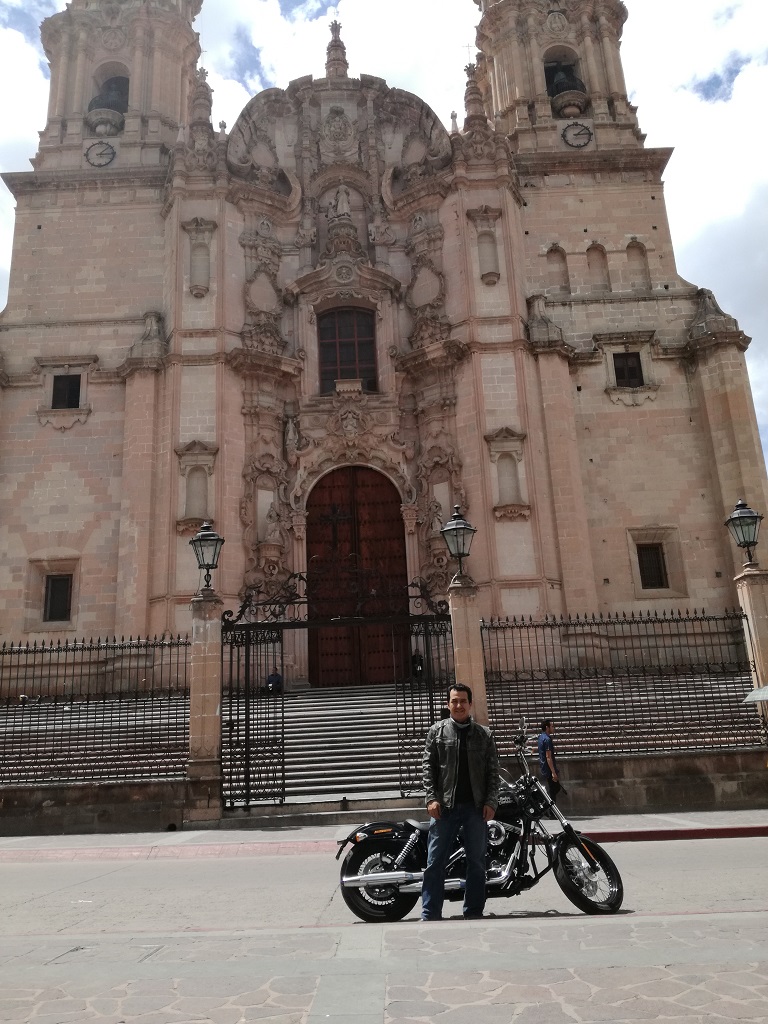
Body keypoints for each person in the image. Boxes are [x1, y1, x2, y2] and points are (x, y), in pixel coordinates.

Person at [421, 683, 500, 921]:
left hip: (475, 808)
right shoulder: (436, 732)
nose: (458, 705)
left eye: (463, 701)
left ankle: (473, 911)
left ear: (470, 704)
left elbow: (492, 773)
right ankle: (430, 912)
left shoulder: (483, 735)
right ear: (448, 704)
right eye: (454, 701)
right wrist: (431, 798)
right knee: (435, 862)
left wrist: (491, 801)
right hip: (445, 807)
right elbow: (428, 768)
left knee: (476, 862)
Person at [537, 719, 561, 803]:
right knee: (553, 790)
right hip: (548, 769)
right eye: (552, 726)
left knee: (554, 789)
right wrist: (553, 772)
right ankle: (550, 811)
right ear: (547, 727)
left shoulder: (540, 737)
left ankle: (549, 810)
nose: (553, 728)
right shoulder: (547, 739)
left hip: (544, 768)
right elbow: (548, 757)